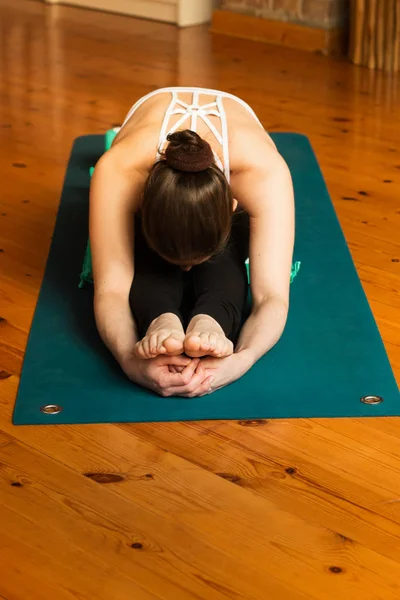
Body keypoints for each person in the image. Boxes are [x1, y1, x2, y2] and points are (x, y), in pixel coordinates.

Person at [89, 87, 294, 398]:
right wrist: (130, 362)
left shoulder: (262, 173)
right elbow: (112, 289)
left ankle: (210, 319)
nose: (185, 268)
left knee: (232, 252)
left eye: (196, 258)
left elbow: (271, 296)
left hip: (234, 187)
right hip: (144, 187)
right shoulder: (120, 171)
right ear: (143, 205)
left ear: (232, 207)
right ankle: (162, 318)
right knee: (143, 256)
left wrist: (242, 360)